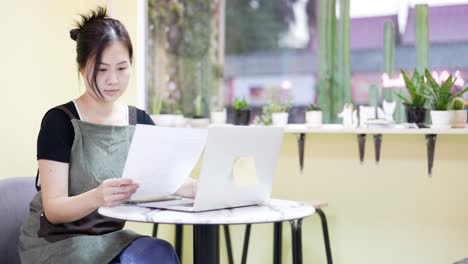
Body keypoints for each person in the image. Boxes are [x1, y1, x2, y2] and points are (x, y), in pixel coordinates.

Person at [18, 7, 195, 264]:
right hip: (57, 242)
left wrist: (205, 187)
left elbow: (168, 178)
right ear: (81, 67)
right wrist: (98, 197)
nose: (113, 80)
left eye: (122, 68)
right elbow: (54, 210)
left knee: (158, 253)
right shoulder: (60, 121)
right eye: (101, 70)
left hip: (109, 238)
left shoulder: (140, 121)